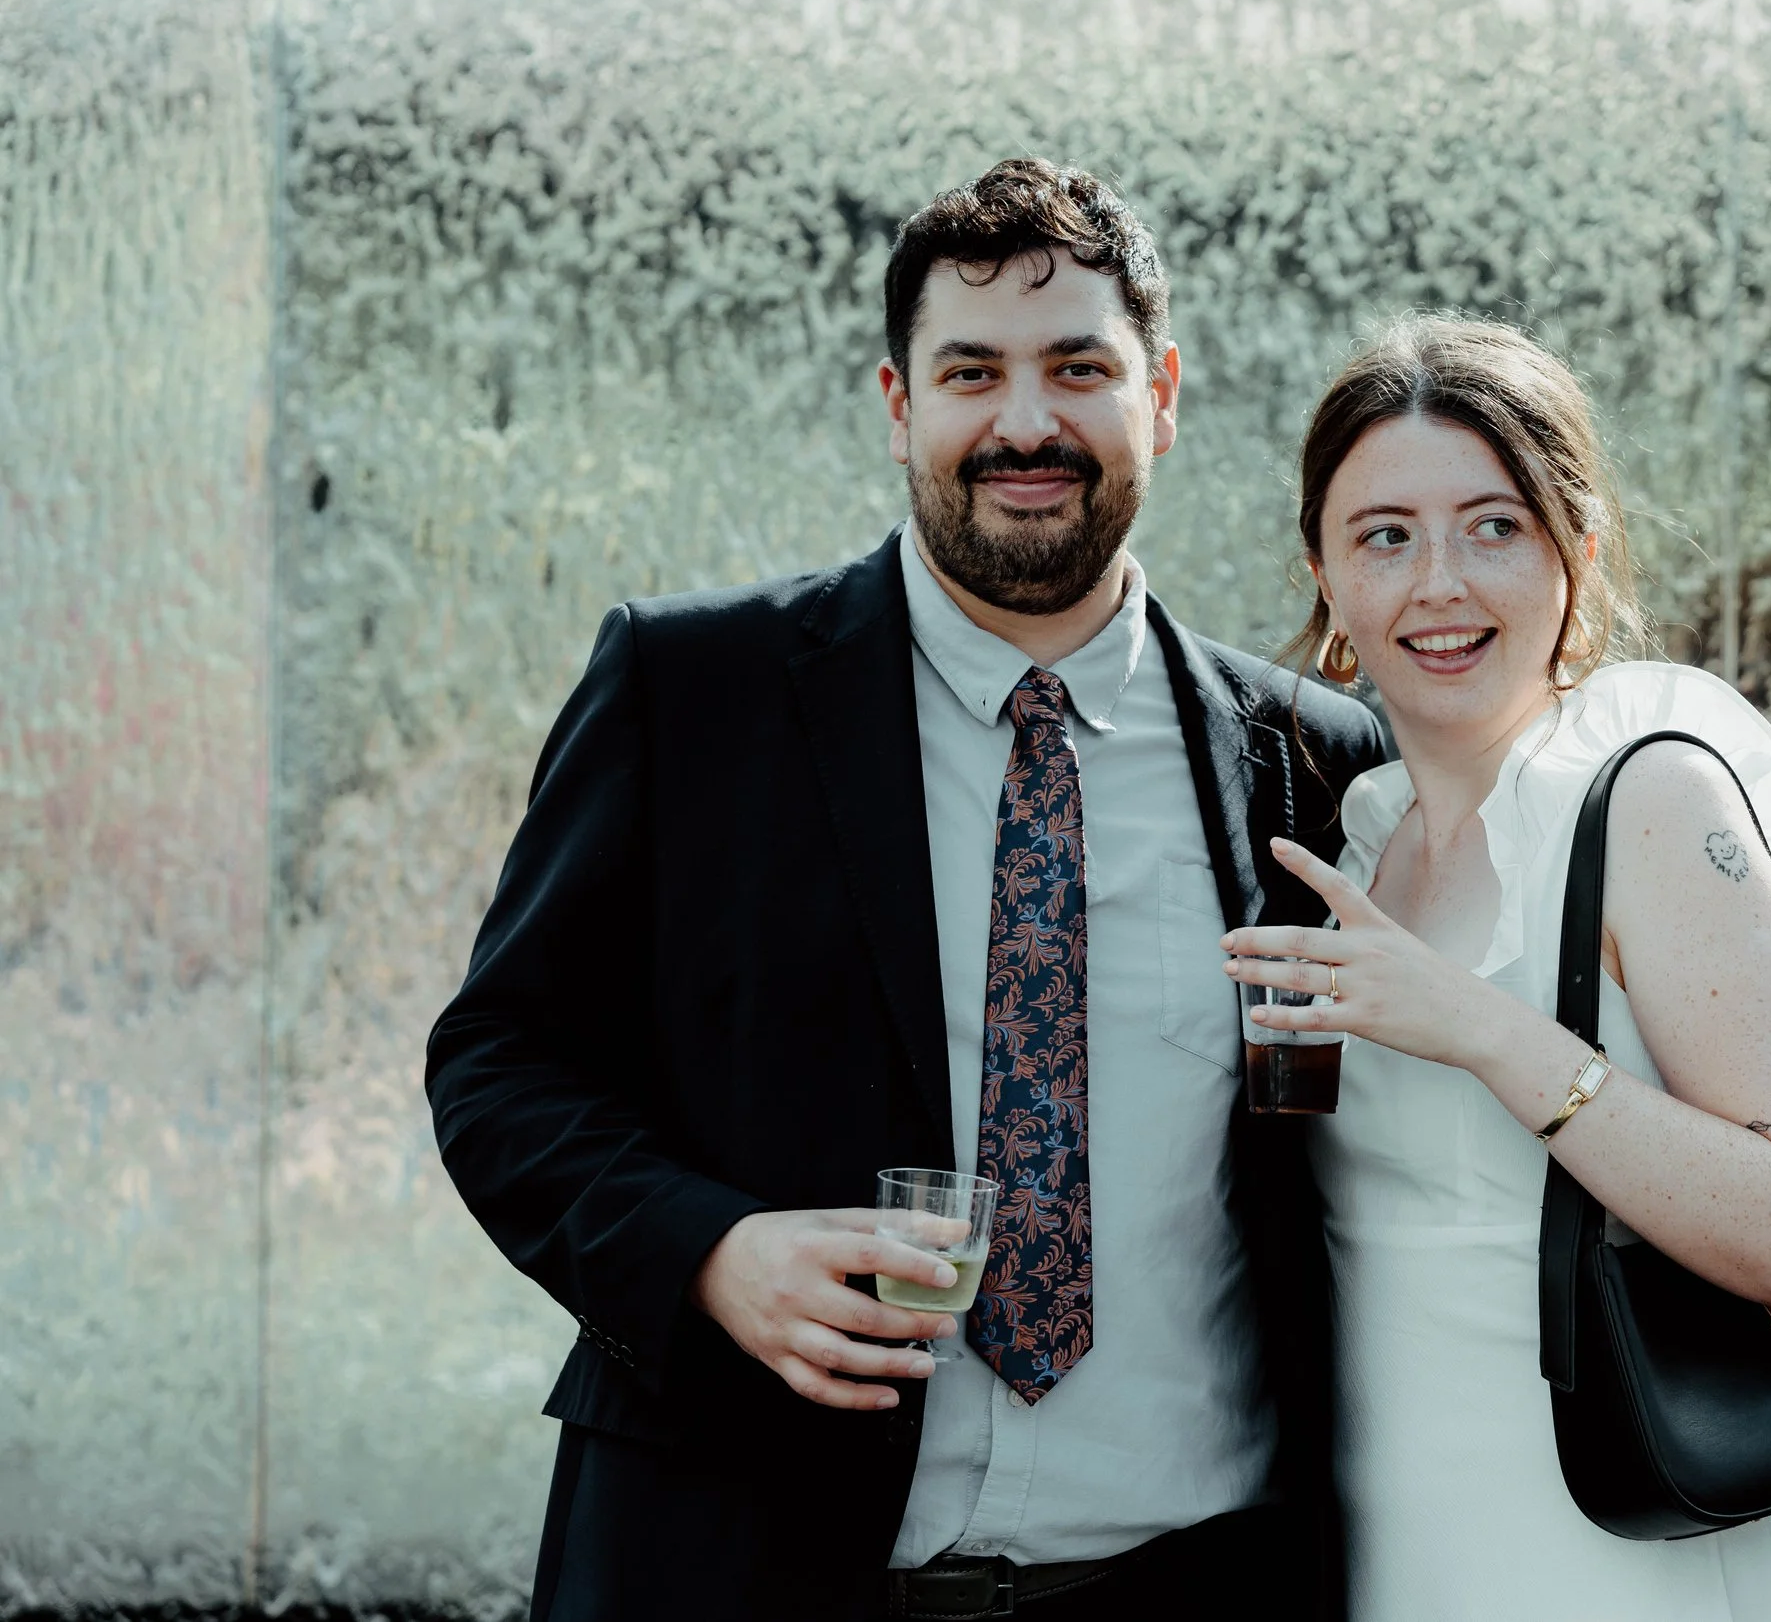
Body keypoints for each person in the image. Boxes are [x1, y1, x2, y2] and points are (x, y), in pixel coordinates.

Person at [424, 158, 1386, 1621]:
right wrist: (708, 1254)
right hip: (745, 1570)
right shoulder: (692, 695)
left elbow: (1426, 1171)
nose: (1025, 423)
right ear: (899, 407)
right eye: (972, 372)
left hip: (1192, 1582)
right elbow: (500, 1067)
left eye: (1080, 368)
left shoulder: (1312, 760)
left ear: (1165, 394)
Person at [1221, 315, 1771, 1621]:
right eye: (1385, 535)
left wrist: (1485, 1029)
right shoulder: (1354, 831)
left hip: (1621, 1539)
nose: (1439, 581)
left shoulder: (1655, 806)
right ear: (1327, 577)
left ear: (1581, 550)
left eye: (1495, 526)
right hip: (1398, 1536)